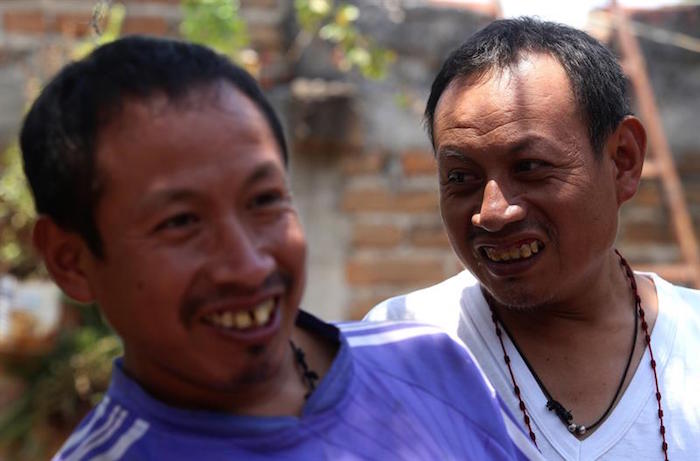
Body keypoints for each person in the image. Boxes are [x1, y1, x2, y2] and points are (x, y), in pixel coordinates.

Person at [19, 36, 541, 461]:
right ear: (71, 259)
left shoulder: (430, 366)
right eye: (180, 222)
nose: (247, 266)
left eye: (265, 201)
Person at [366, 17, 700, 461]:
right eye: (461, 177)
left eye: (530, 167)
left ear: (623, 160)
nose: (492, 212)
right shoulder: (404, 351)